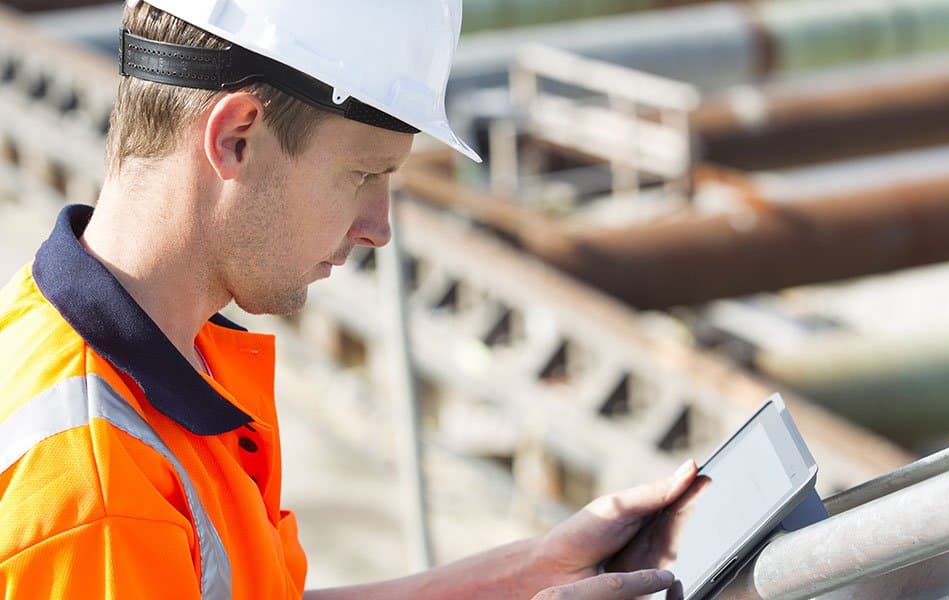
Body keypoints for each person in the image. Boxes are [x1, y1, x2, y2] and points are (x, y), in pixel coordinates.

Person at [0, 1, 697, 598]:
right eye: (363, 172)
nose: (379, 226)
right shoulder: (98, 495)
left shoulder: (140, 340)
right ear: (237, 138)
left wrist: (530, 570)